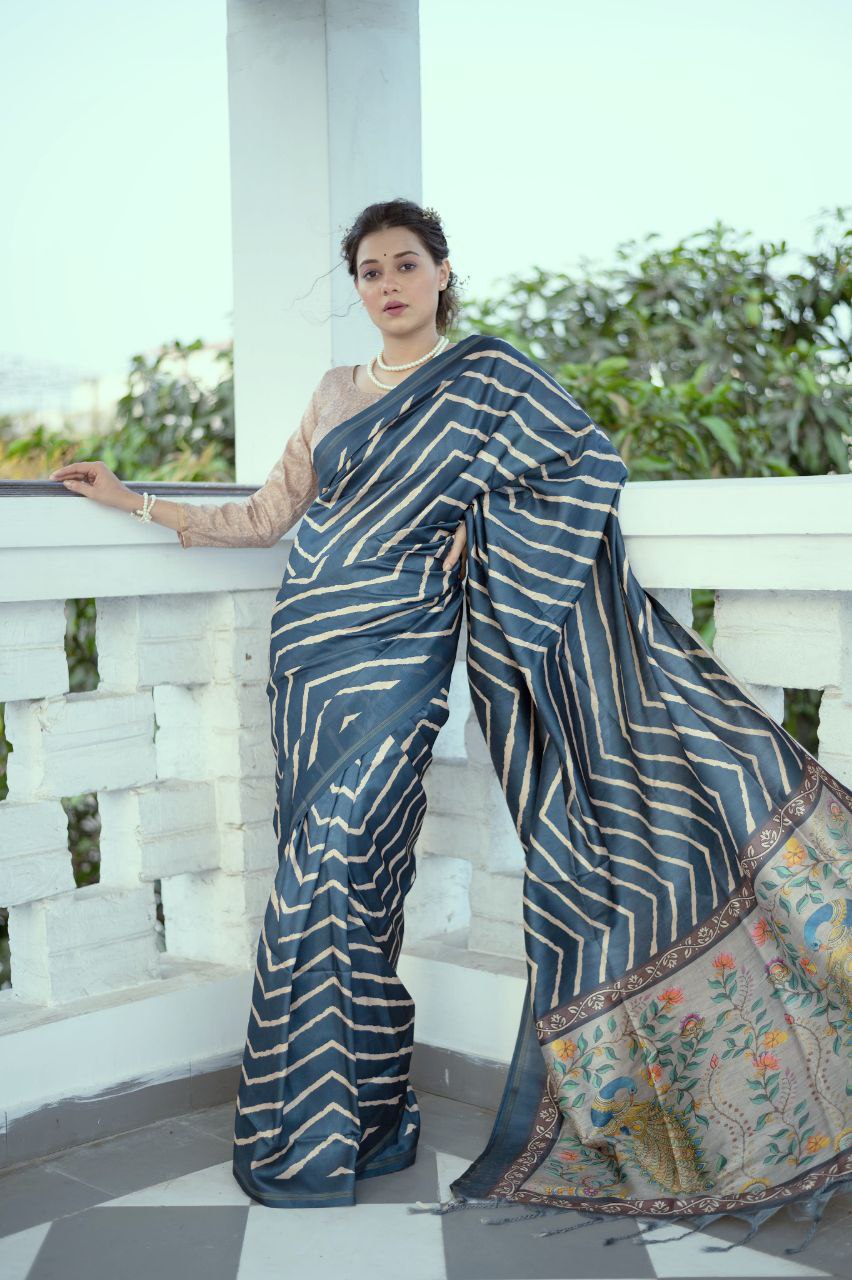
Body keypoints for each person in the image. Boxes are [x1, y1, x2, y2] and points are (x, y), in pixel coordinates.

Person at [48, 199, 850, 1244]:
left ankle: (315, 1133)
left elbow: (583, 465)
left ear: (440, 272)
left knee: (344, 864)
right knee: (329, 879)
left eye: (405, 264)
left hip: (403, 652)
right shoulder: (334, 392)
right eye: (370, 271)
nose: (388, 284)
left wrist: (488, 529)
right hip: (309, 647)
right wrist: (133, 501)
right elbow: (266, 515)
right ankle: (364, 1122)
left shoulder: (490, 380)